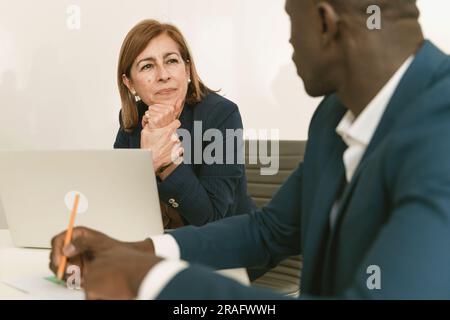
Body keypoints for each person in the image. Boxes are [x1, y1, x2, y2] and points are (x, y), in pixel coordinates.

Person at [50, 0, 450, 299]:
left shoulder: (441, 128)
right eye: (147, 66)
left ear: (325, 23)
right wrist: (137, 249)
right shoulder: (334, 113)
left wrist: (149, 277)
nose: (290, 42)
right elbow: (269, 231)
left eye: (290, 21)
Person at [113, 20, 255, 228]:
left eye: (171, 61)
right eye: (147, 66)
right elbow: (118, 202)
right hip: (159, 243)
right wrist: (147, 165)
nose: (163, 75)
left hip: (223, 246)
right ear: (130, 83)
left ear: (187, 69)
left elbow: (211, 219)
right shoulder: (132, 118)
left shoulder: (221, 114)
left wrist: (166, 163)